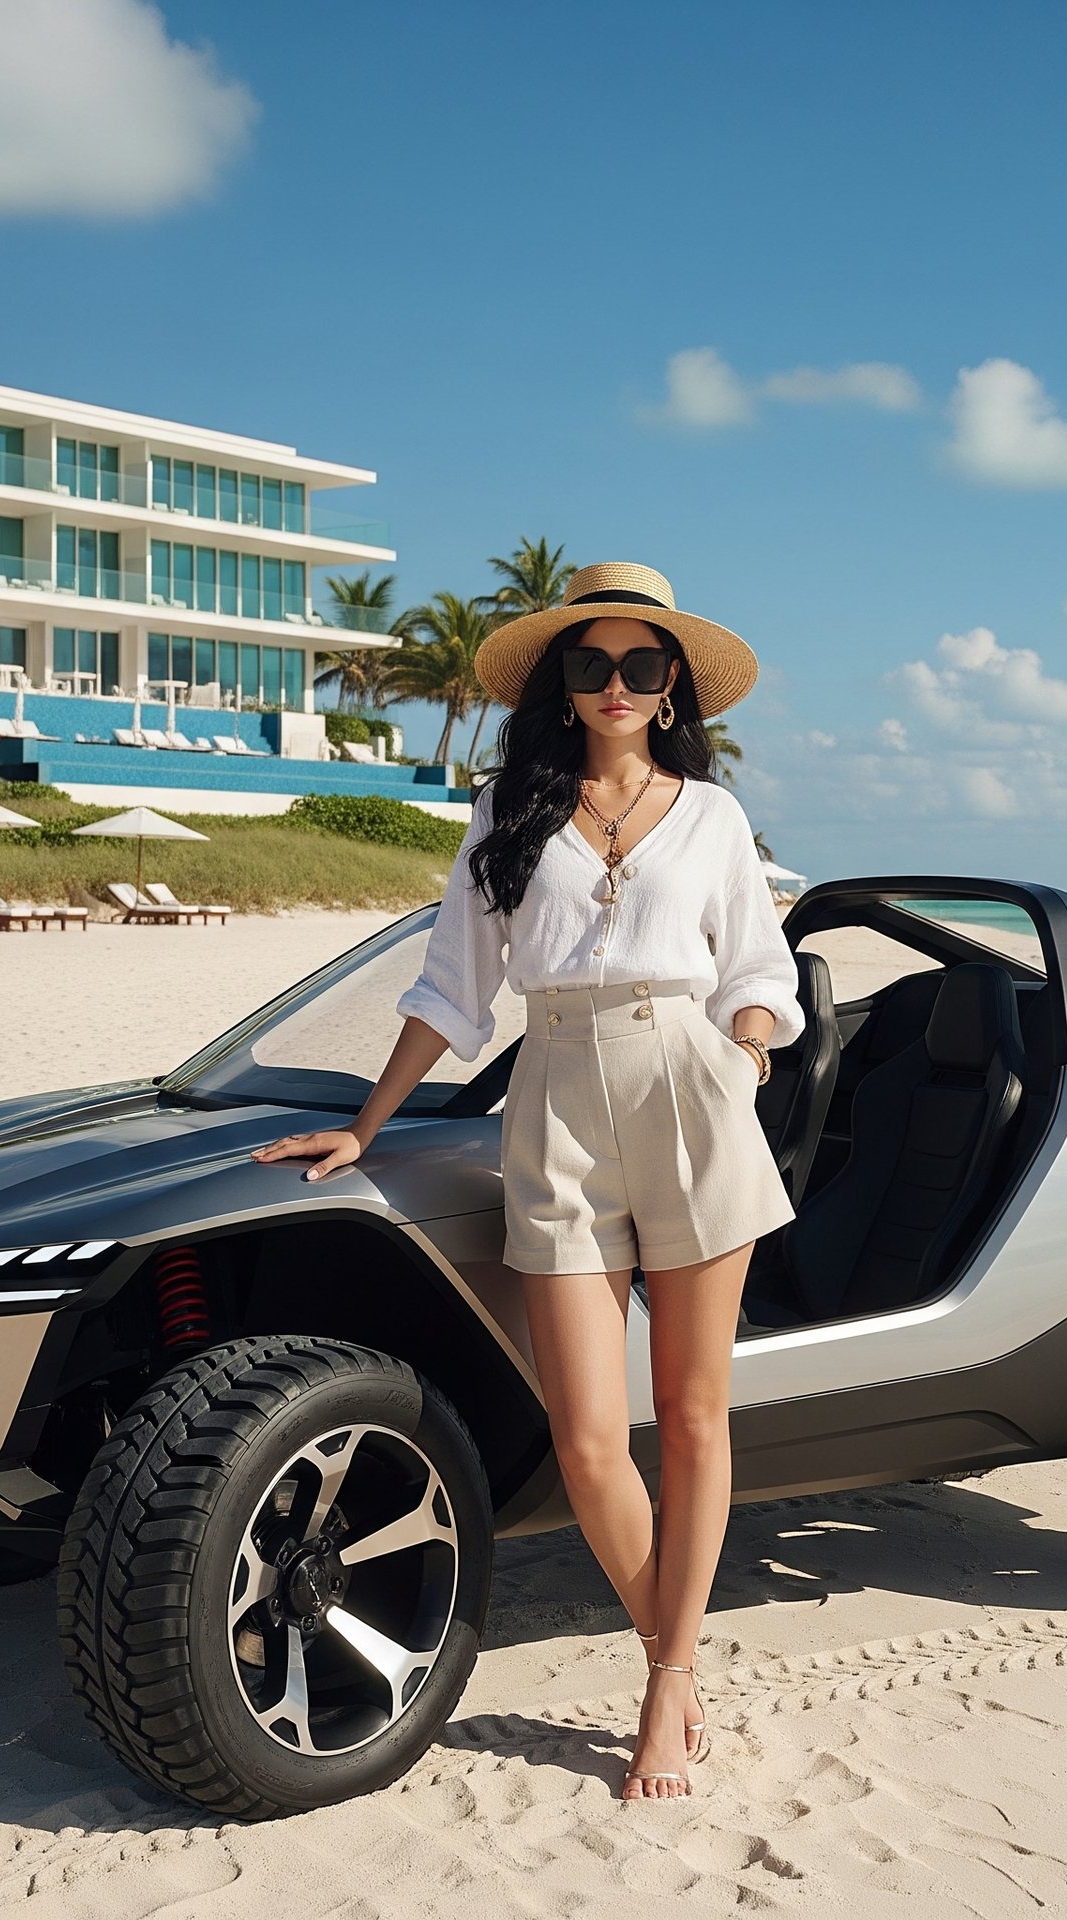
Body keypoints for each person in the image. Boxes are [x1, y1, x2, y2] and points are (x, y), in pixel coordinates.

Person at [252, 561, 801, 1800]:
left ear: (671, 692)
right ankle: (679, 1652)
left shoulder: (711, 819)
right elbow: (452, 989)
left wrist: (746, 1054)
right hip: (549, 1095)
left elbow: (757, 966)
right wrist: (365, 1125)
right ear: (563, 681)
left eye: (641, 666)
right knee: (589, 1436)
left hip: (691, 1084)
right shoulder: (508, 809)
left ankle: (666, 1684)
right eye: (591, 663)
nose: (615, 685)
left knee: (697, 1414)